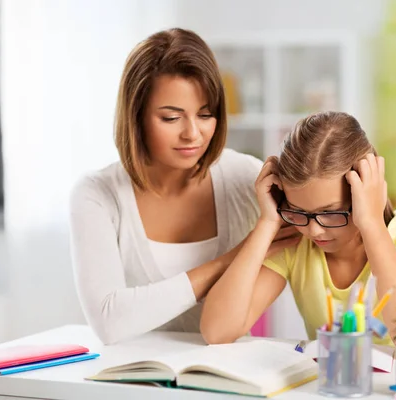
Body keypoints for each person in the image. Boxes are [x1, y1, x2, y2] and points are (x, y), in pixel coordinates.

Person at [69, 28, 299, 345]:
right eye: (171, 118)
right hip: (131, 382)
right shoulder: (97, 195)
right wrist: (234, 258)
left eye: (205, 114)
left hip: (226, 377)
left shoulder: (246, 177)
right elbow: (110, 322)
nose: (193, 134)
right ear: (136, 117)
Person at [200, 111, 396, 346]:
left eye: (330, 213)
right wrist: (267, 223)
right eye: (298, 211)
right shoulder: (294, 236)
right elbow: (217, 331)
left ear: (365, 191)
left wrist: (372, 224)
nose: (313, 231)